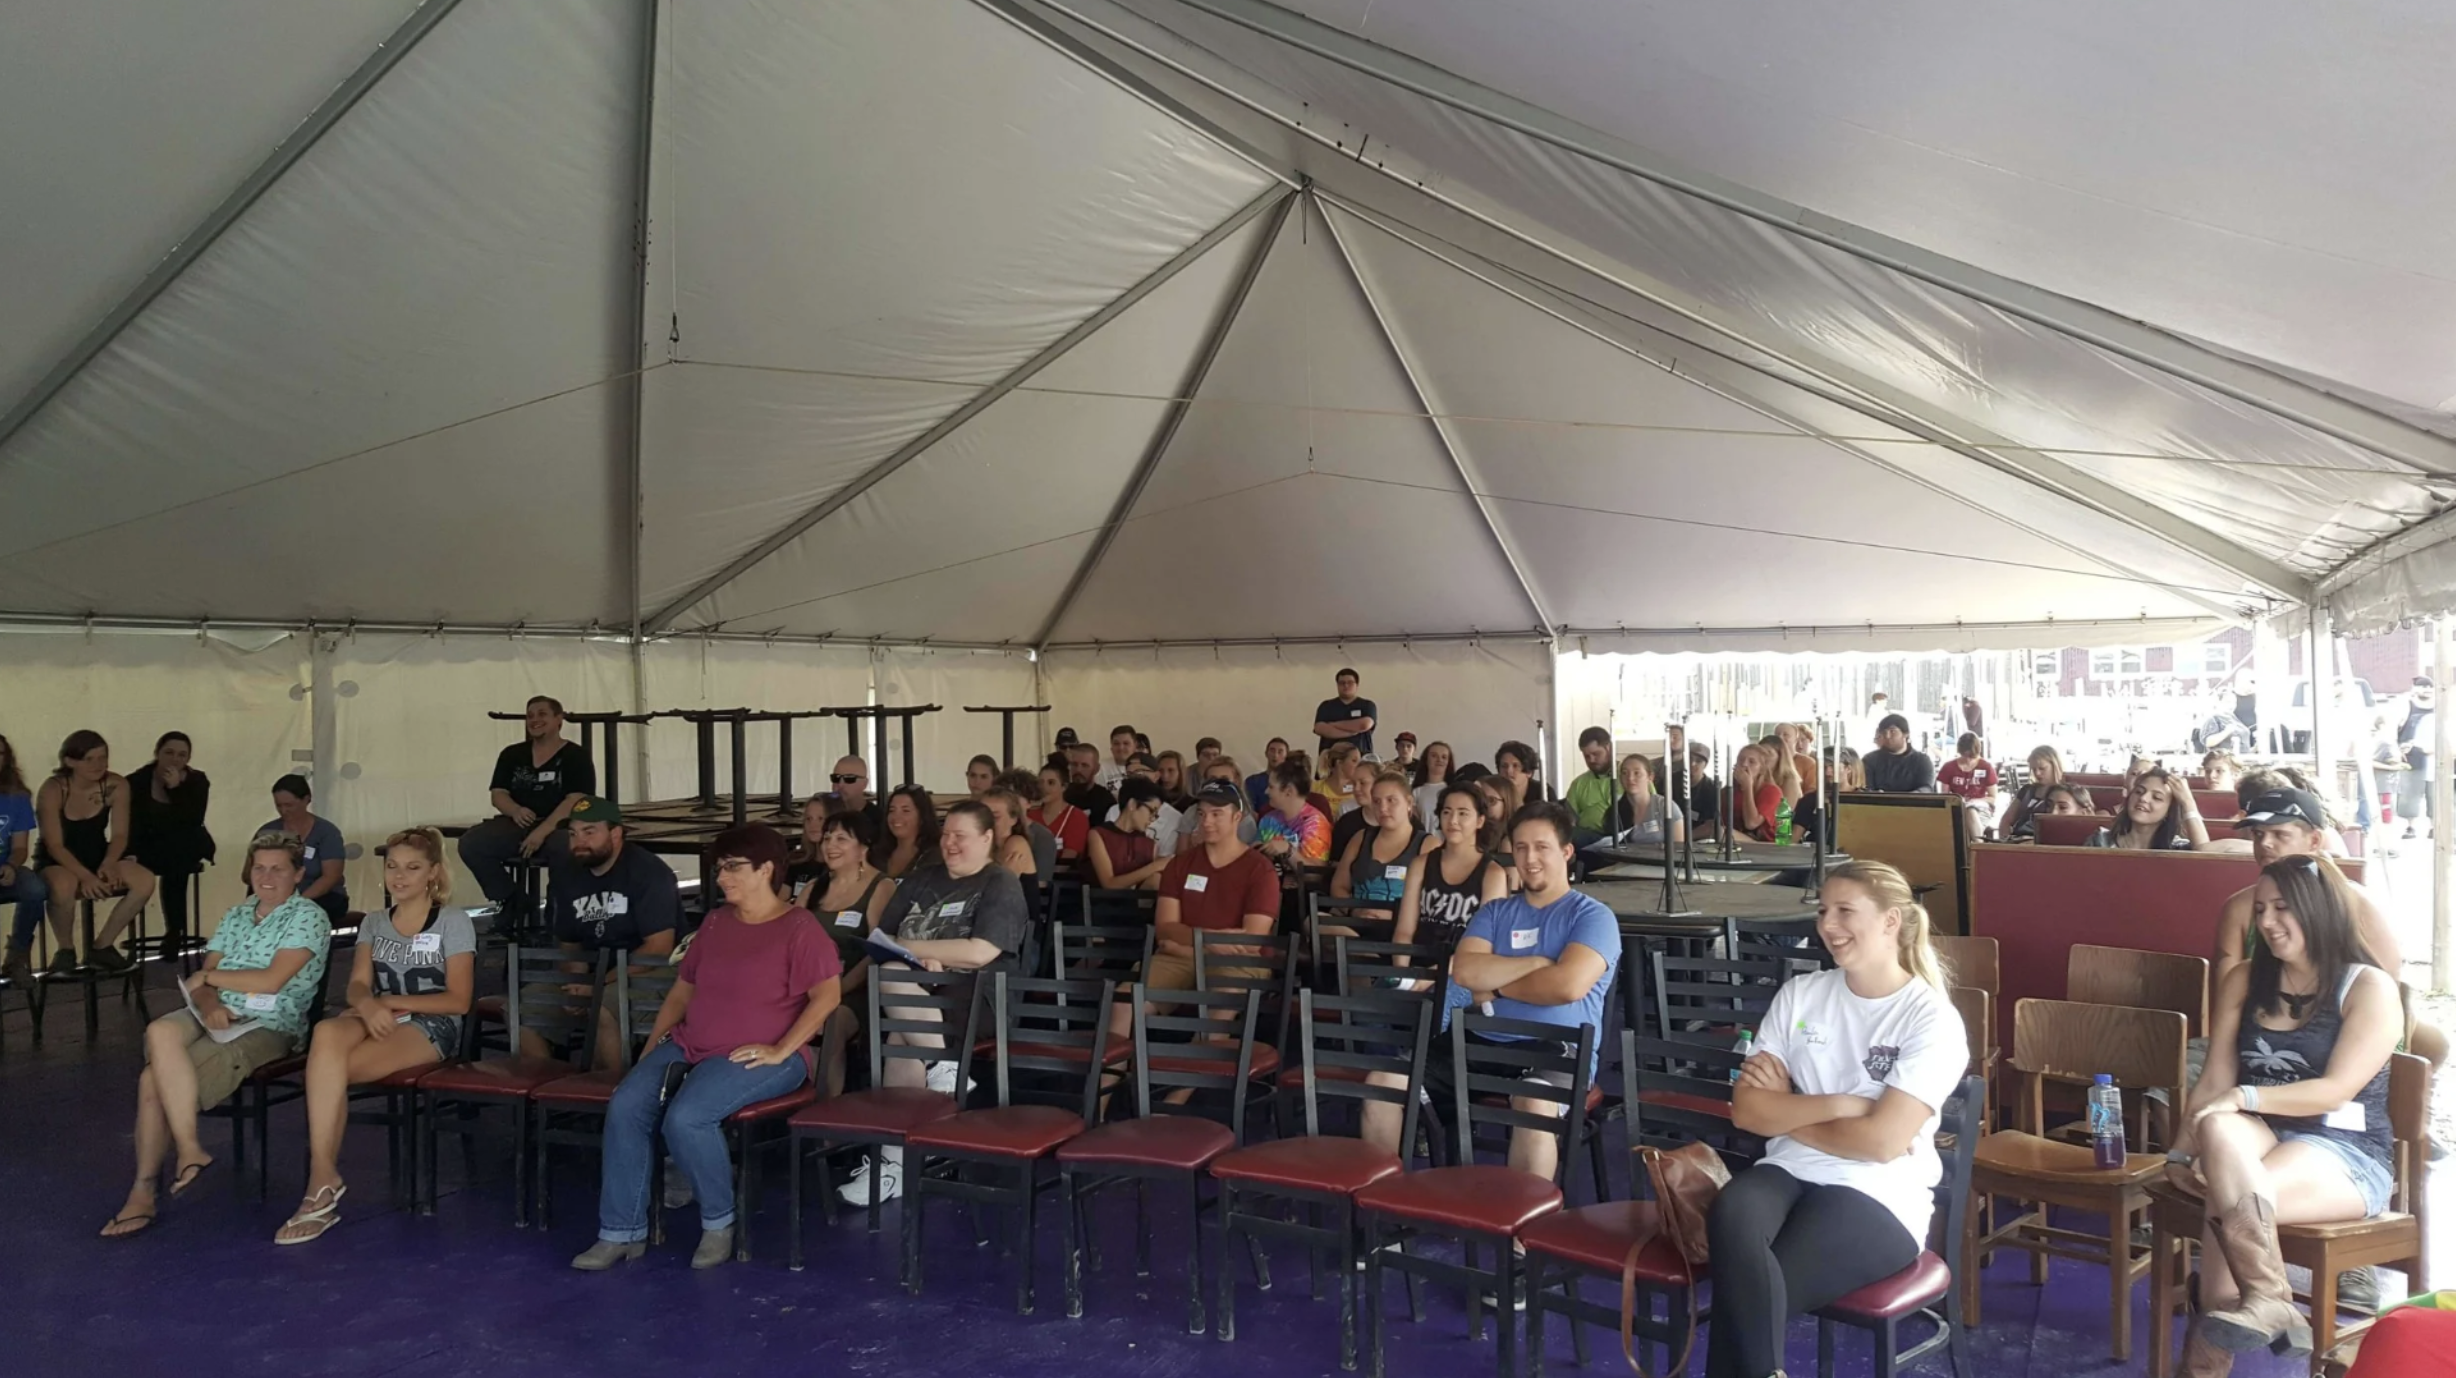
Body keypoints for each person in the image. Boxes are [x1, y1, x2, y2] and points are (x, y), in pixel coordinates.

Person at [1717, 860, 1967, 1378]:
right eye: (1824, 910)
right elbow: (1747, 1111)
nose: (1827, 925)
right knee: (1732, 1210)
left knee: (1748, 1294)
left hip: (1881, 1193)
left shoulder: (1930, 1018)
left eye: (1845, 911)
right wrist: (1841, 1105)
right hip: (1790, 1169)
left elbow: (1880, 1144)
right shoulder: (1802, 995)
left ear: (1891, 921)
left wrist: (1786, 1111)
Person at [2164, 855, 2401, 1370]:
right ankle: (2270, 1297)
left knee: (2226, 1205)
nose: (2266, 922)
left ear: (2318, 910)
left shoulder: (2368, 988)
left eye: (2282, 908)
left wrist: (2244, 1099)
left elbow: (2334, 1091)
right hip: (2258, 1138)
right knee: (2219, 1130)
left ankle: (2208, 1362)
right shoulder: (2246, 979)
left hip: (2346, 1151)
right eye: (2260, 909)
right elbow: (2215, 1080)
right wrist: (2180, 1155)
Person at [572, 824, 840, 1271]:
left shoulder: (798, 925)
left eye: (733, 867)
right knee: (626, 1104)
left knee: (688, 1117)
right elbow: (682, 992)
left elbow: (827, 996)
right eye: (720, 868)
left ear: (766, 869)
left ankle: (719, 1221)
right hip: (689, 1044)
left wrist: (781, 1049)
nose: (722, 876)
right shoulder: (715, 922)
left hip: (763, 1054)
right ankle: (620, 1232)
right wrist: (652, 1046)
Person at [99, 831, 331, 1238]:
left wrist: (208, 977)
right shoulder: (237, 915)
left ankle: (144, 1191)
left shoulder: (308, 916)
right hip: (218, 1010)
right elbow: (202, 983)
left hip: (270, 1022)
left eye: (278, 868)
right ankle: (189, 1150)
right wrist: (209, 1002)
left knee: (152, 1079)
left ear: (298, 874)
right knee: (160, 1029)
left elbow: (272, 981)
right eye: (259, 867)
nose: (267, 876)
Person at [277, 827, 475, 1244]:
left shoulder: (454, 922)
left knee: (328, 1070)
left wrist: (386, 1003)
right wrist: (369, 1004)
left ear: (434, 874)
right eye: (392, 867)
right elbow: (358, 986)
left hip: (429, 1024)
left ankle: (320, 1184)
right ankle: (324, 1176)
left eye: (412, 868)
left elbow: (459, 1000)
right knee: (328, 1032)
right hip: (377, 1015)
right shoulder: (375, 922)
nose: (399, 877)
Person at [1404, 802, 1618, 1176]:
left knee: (1534, 1104)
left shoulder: (1592, 916)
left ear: (1566, 852)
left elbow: (1567, 986)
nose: (1529, 858)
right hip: (1484, 1040)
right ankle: (1386, 1220)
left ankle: (1524, 1232)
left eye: (1541, 847)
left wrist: (1500, 989)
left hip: (1560, 1047)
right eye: (1520, 847)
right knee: (1386, 1082)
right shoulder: (1495, 912)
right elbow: (1468, 972)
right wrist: (1537, 965)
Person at [840, 801, 1032, 1204]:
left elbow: (980, 952)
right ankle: (907, 1143)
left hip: (975, 997)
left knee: (896, 1003)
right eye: (946, 834)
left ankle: (895, 1158)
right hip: (917, 992)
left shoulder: (999, 883)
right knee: (898, 1019)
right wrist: (916, 956)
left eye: (960, 836)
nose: (949, 843)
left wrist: (917, 950)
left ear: (986, 838)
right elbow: (881, 937)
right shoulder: (920, 879)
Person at [1125, 780, 1278, 1037]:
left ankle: (1198, 1071)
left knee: (1221, 1004)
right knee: (1124, 1003)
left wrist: (1188, 945)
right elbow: (1165, 929)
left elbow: (1251, 941)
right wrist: (1207, 940)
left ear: (1237, 817)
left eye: (1217, 814)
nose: (1206, 821)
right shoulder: (1180, 864)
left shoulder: (1260, 869)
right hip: (1181, 957)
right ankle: (1111, 1076)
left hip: (1237, 961)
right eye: (1202, 814)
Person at [538, 796, 680, 1066]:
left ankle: (613, 1098)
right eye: (573, 833)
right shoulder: (567, 875)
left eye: (589, 832)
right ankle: (546, 1098)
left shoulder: (649, 872)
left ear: (616, 834)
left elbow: (659, 948)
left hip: (655, 972)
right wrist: (577, 983)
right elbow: (571, 944)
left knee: (604, 1006)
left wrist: (597, 984)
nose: (579, 841)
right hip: (597, 972)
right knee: (526, 1007)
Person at [789, 809, 895, 1098]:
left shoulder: (880, 887)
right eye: (827, 838)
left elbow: (878, 950)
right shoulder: (813, 888)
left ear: (863, 847)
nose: (830, 845)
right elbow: (785, 940)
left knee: (831, 1023)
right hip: (804, 986)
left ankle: (824, 1121)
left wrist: (839, 987)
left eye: (841, 838)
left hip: (854, 991)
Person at [457, 696, 595, 913]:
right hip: (518, 824)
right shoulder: (512, 754)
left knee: (567, 848)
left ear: (559, 719)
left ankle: (558, 911)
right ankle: (512, 901)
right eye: (530, 716)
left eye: (542, 714)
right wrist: (515, 810)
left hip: (560, 825)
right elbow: (498, 794)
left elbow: (575, 800)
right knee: (472, 843)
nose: (534, 720)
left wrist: (542, 831)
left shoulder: (576, 756)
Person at [35, 730, 156, 972]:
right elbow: (55, 844)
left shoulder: (116, 784)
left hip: (98, 853)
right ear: (70, 761)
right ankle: (66, 949)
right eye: (89, 759)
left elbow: (120, 834)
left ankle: (102, 945)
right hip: (59, 858)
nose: (98, 765)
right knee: (63, 885)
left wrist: (110, 862)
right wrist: (86, 876)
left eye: (103, 757)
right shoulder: (53, 789)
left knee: (144, 880)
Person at [124, 732, 214, 959]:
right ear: (157, 753)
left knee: (179, 858)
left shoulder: (197, 781)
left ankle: (175, 930)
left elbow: (193, 821)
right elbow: (130, 823)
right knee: (137, 865)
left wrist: (176, 789)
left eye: (182, 755)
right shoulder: (136, 782)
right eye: (169, 753)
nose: (175, 759)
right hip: (148, 846)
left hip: (183, 843)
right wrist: (130, 851)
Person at [1395, 782, 1510, 954]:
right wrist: (1403, 975)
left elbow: (1483, 944)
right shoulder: (1421, 864)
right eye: (1447, 812)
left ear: (1480, 821)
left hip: (1463, 971)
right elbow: (1404, 932)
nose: (1453, 820)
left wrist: (1431, 979)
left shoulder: (1493, 874)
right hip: (1417, 967)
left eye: (1463, 813)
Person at [260, 773, 348, 926]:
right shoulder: (268, 832)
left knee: (302, 919)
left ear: (307, 800)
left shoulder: (326, 832)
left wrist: (297, 902)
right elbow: (249, 873)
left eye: (289, 805)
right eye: (279, 806)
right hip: (275, 896)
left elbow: (330, 877)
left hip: (321, 897)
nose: (283, 811)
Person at [1331, 771, 1429, 905]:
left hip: (1402, 923)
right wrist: (1354, 910)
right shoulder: (1360, 838)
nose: (1382, 808)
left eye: (1391, 800)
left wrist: (1399, 916)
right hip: (1356, 920)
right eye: (1376, 801)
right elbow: (1338, 886)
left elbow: (1433, 900)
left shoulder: (1428, 844)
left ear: (1409, 802)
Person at [1, 734, 49, 984]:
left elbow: (20, 847)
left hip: (5, 868)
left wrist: (11, 865)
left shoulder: (16, 797)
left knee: (35, 888)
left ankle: (16, 955)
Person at [2086, 766, 2208, 850]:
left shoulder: (2178, 848)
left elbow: (2204, 853)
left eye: (2156, 797)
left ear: (2169, 811)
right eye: (2139, 792)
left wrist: (2188, 802)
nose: (2143, 798)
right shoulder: (2100, 842)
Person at [1087, 777, 1169, 890]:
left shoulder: (1149, 844)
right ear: (1132, 804)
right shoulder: (1098, 835)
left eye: (1156, 814)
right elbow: (1109, 884)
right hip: (1102, 904)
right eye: (1151, 811)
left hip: (1138, 905)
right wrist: (1154, 867)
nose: (1152, 819)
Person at [1256, 760, 1332, 870]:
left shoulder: (1315, 824)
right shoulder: (1268, 819)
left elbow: (1314, 875)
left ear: (1288, 791)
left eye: (1271, 787)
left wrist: (1288, 850)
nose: (1266, 791)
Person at [2000, 745, 2082, 841]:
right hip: (2017, 840)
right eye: (2034, 769)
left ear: (2055, 765)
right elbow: (2006, 820)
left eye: (2042, 768)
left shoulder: (2065, 793)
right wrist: (2005, 840)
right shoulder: (2027, 790)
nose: (2037, 773)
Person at [1608, 753, 1684, 846]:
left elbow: (1678, 848)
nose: (1630, 778)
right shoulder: (1614, 811)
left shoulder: (1666, 806)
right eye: (1624, 773)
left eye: (1637, 773)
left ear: (1650, 777)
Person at [870, 784, 939, 880]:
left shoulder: (934, 856)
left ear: (922, 816)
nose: (896, 817)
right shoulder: (878, 854)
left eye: (905, 811)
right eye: (892, 810)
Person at [2393, 677, 2433, 839]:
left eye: (2430, 687)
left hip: (2436, 757)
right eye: (2423, 687)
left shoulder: (2441, 706)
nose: (2427, 690)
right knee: (2409, 794)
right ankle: (2411, 827)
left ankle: (2435, 826)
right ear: (2414, 688)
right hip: (2411, 757)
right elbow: (2394, 728)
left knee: (2436, 794)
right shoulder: (2406, 705)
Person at [1029, 763, 1089, 869]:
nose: (1044, 788)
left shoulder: (1076, 817)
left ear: (1064, 787)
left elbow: (1068, 858)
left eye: (1051, 783)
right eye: (1040, 782)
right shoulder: (1030, 814)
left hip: (1061, 879)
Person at [1936, 734, 1998, 835]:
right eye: (1965, 756)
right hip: (1957, 806)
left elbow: (1992, 798)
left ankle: (1977, 843)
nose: (1968, 760)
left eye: (1972, 757)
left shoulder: (1986, 767)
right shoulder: (1949, 767)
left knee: (1970, 811)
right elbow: (1944, 796)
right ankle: (1976, 843)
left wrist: (1974, 801)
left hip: (1980, 808)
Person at [1564, 726, 1618, 841]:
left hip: (1624, 837)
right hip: (1590, 839)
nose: (1591, 760)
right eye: (1586, 756)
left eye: (1596, 754)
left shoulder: (1630, 775)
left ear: (1609, 748)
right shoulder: (1578, 784)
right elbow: (1569, 820)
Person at [1861, 714, 1936, 794]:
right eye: (1884, 732)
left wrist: (1913, 795)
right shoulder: (1870, 760)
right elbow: (1865, 788)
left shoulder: (1922, 761)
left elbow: (1927, 788)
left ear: (1906, 734)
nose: (1887, 736)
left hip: (1913, 804)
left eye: (1892, 731)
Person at [1313, 667, 1379, 758]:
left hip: (1360, 757)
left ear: (1357, 685)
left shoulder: (1367, 705)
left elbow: (1364, 725)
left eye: (1350, 683)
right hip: (1330, 759)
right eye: (1342, 683)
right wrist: (1351, 732)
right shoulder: (1326, 706)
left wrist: (1332, 725)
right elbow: (1319, 728)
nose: (1346, 686)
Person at [1727, 743, 1783, 842]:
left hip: (1765, 844)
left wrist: (1747, 786)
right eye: (1740, 760)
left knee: (1722, 832)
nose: (1744, 764)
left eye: (1751, 762)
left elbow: (1751, 823)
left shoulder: (1772, 791)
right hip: (1737, 839)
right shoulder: (1729, 791)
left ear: (1761, 769)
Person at [981, 785, 1038, 880]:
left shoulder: (1016, 843)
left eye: (995, 817)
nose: (987, 821)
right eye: (982, 815)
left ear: (1013, 819)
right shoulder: (983, 846)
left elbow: (1001, 888)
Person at [826, 756, 885, 833]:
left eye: (849, 779)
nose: (840, 784)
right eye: (836, 778)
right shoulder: (824, 814)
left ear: (864, 783)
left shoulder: (878, 821)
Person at [1064, 742, 1117, 823]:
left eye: (1085, 765)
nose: (1078, 770)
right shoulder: (1060, 796)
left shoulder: (1105, 801)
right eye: (1074, 764)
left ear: (1096, 768)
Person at [1410, 739, 1455, 830]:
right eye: (1434, 756)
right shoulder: (1416, 792)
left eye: (1444, 757)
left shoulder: (1454, 791)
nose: (1439, 760)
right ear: (1426, 760)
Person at [1494, 739, 1544, 813]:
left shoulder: (1542, 791)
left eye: (1515, 766)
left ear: (1529, 772)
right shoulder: (1492, 790)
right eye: (1504, 766)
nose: (1509, 771)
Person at [1246, 737, 1290, 815]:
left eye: (1280, 752)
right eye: (1272, 750)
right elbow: (1249, 809)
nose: (1275, 755)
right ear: (1266, 753)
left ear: (1286, 755)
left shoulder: (1291, 782)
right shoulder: (1253, 781)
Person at [1094, 725, 1139, 790]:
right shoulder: (1100, 768)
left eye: (1126, 743)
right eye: (1116, 743)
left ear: (1135, 745)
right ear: (1111, 746)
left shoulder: (1144, 768)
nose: (1121, 748)